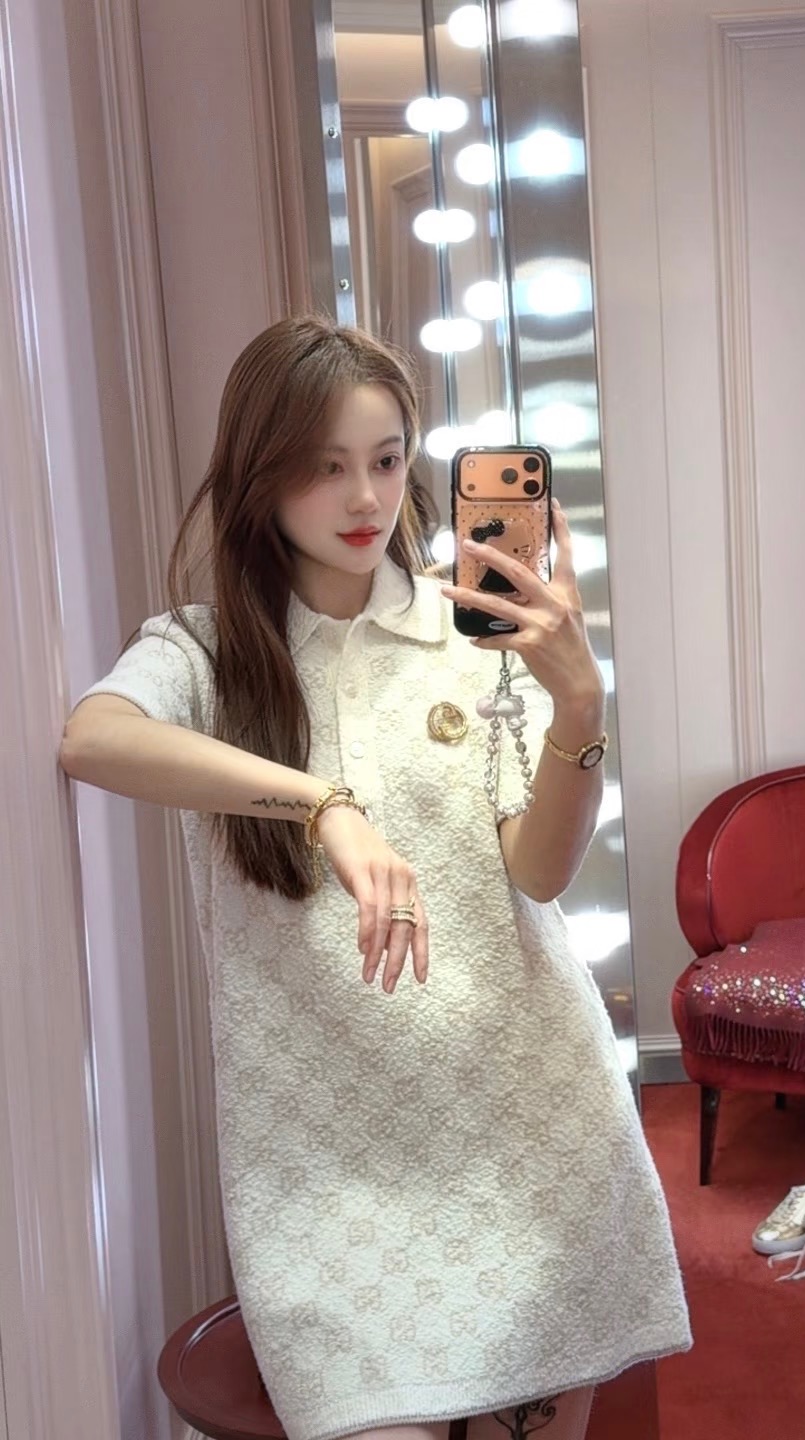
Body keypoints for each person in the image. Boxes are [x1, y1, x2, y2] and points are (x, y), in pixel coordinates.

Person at [60, 315, 691, 1440]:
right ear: (260, 477)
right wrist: (325, 804)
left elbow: (541, 871)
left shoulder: (471, 639)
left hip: (527, 1143)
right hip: (324, 1184)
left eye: (387, 460)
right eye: (324, 466)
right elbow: (94, 739)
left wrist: (579, 707)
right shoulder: (204, 654)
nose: (364, 498)